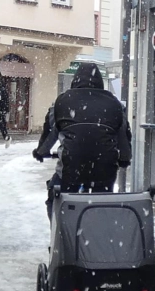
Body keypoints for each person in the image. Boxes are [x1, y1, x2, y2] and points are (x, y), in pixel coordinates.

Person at [32, 62, 132, 220]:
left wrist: (40, 152)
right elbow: (124, 137)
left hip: (72, 168)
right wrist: (124, 158)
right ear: (100, 81)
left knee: (56, 199)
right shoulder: (114, 104)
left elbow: (50, 133)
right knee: (102, 206)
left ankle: (61, 232)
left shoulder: (62, 102)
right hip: (104, 169)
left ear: (75, 80)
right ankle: (101, 230)